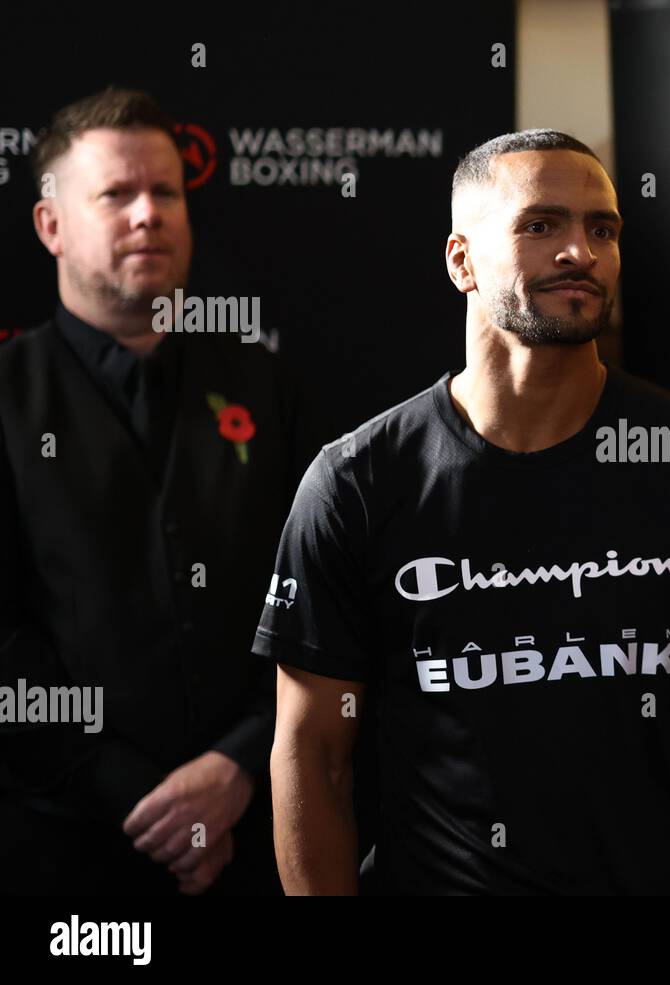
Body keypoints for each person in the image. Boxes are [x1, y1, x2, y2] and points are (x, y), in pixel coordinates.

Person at [258, 129, 670, 895]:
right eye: (541, 225)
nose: (580, 253)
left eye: (603, 229)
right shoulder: (356, 483)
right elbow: (312, 757)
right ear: (462, 260)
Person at [0, 87, 311, 894]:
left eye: (166, 192)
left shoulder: (268, 385)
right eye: (116, 194)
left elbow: (323, 599)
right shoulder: (5, 398)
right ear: (51, 226)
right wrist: (144, 798)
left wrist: (239, 763)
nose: (149, 214)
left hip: (263, 830)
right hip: (62, 853)